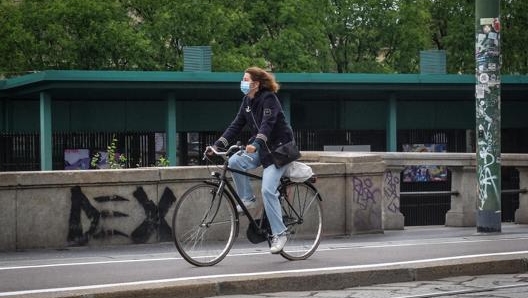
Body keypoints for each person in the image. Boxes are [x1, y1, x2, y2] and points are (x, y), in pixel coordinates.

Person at [209, 66, 295, 254]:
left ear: (256, 83)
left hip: (280, 149)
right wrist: (217, 146)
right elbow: (236, 124)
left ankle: (280, 233)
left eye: (245, 79)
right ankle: (247, 199)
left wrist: (256, 143)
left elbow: (268, 124)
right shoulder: (247, 100)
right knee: (234, 162)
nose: (243, 82)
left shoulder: (269, 98)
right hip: (262, 148)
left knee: (267, 190)